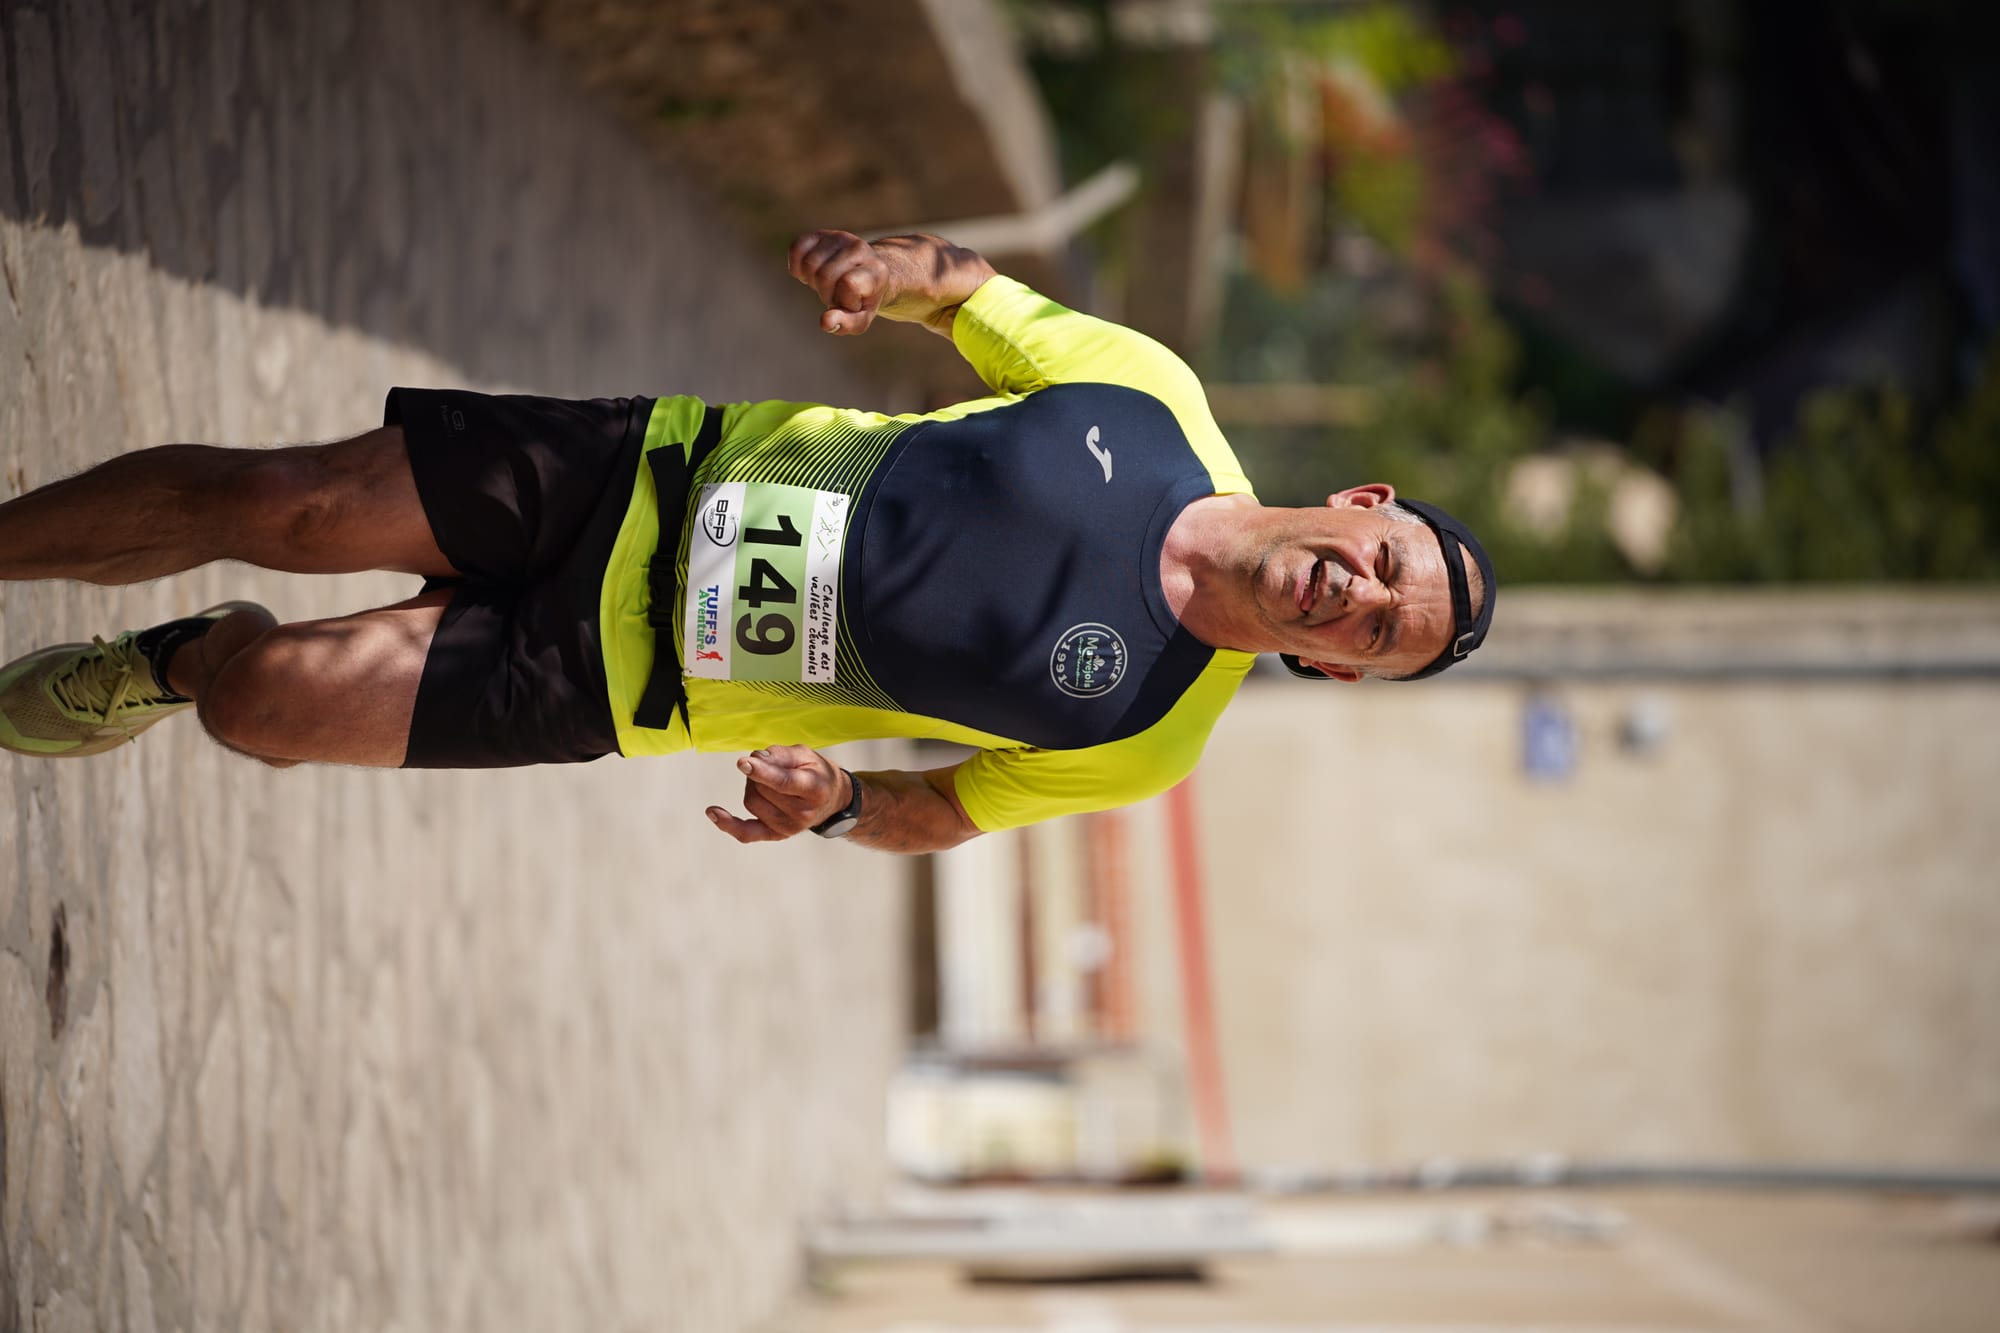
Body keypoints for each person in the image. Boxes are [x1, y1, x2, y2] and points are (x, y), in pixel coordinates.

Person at [0, 230, 1493, 854]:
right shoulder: (1155, 397)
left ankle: (185, 656)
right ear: (1363, 507)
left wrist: (838, 808)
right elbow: (971, 292)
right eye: (1384, 568)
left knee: (264, 707)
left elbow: (948, 812)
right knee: (282, 502)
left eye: (1374, 630)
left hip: (624, 680)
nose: (1357, 596)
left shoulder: (1151, 735)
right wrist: (881, 268)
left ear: (1335, 671)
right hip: (641, 472)